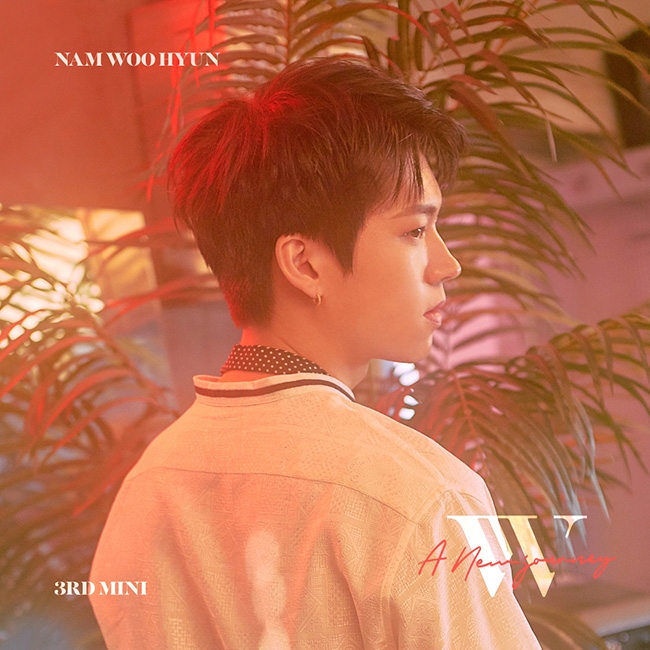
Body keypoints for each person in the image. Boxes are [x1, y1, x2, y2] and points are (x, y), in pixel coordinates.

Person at [90, 57, 542, 649]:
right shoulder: (421, 498)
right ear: (304, 264)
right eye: (414, 230)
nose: (446, 264)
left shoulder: (148, 488)